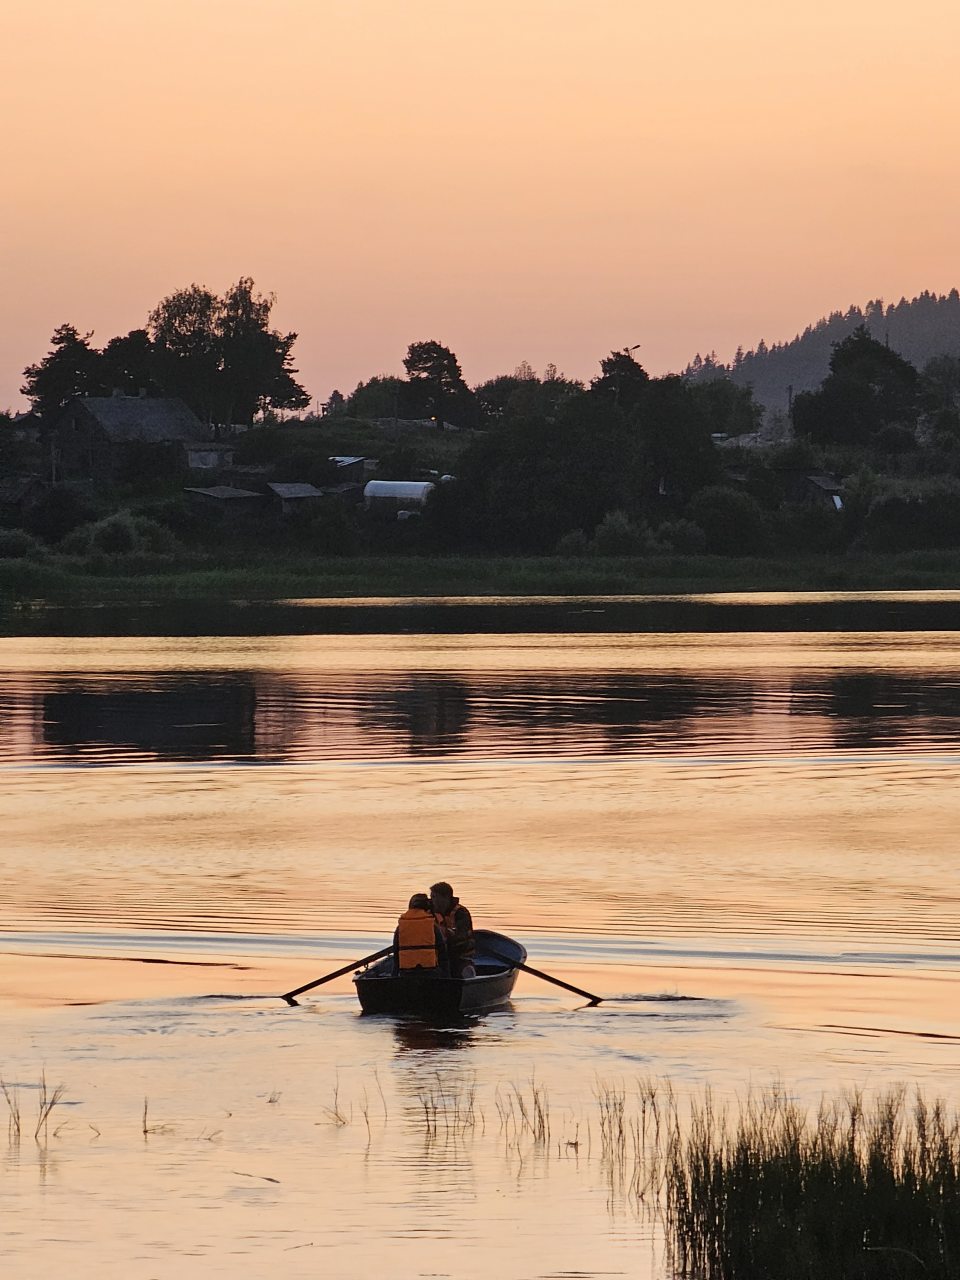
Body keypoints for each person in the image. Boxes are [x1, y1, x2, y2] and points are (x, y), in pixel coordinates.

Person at [430, 881, 476, 979]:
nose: (432, 901)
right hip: (439, 956)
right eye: (432, 897)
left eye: (434, 897)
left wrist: (444, 934)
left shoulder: (461, 913)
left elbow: (462, 936)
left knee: (465, 972)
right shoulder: (431, 913)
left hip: (460, 955)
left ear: (446, 898)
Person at [393, 893, 446, 976]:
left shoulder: (400, 927)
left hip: (406, 973)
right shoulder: (432, 925)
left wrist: (394, 975)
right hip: (430, 973)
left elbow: (396, 954)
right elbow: (443, 953)